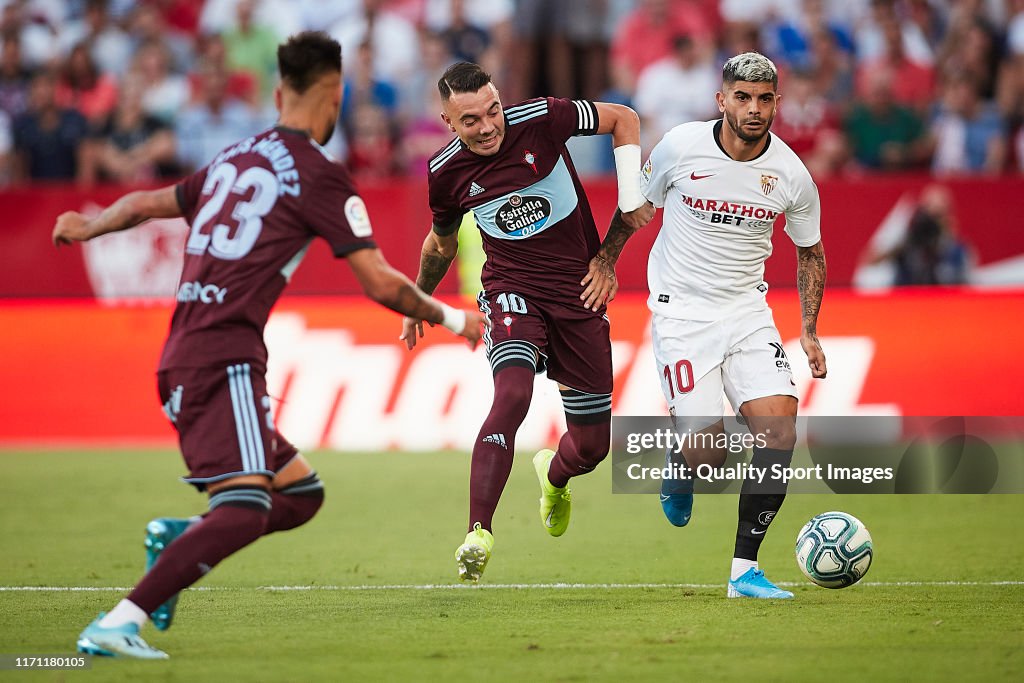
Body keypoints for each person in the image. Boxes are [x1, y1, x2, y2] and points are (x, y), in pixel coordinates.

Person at [52, 32, 486, 660]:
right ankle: (118, 621)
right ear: (334, 96)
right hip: (220, 359)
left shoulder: (236, 158)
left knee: (300, 495)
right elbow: (379, 283)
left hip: (189, 351)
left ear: (280, 91)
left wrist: (90, 223)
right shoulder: (319, 176)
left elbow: (152, 202)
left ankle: (183, 543)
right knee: (249, 505)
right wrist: (455, 319)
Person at [400, 61, 654, 581]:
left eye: (492, 110)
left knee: (591, 448)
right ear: (449, 123)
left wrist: (623, 216)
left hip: (579, 295)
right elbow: (440, 244)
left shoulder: (542, 118)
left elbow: (624, 118)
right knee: (511, 394)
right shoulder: (444, 173)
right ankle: (478, 533)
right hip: (511, 290)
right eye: (471, 121)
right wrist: (419, 302)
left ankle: (554, 477)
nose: (489, 126)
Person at [627, 52, 828, 598]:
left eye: (765, 99)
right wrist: (602, 261)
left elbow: (810, 253)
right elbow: (637, 211)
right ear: (722, 100)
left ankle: (745, 570)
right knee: (710, 452)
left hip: (746, 311)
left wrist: (808, 329)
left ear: (778, 104)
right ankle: (682, 456)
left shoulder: (790, 173)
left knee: (781, 429)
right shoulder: (680, 147)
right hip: (682, 312)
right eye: (742, 97)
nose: (754, 109)